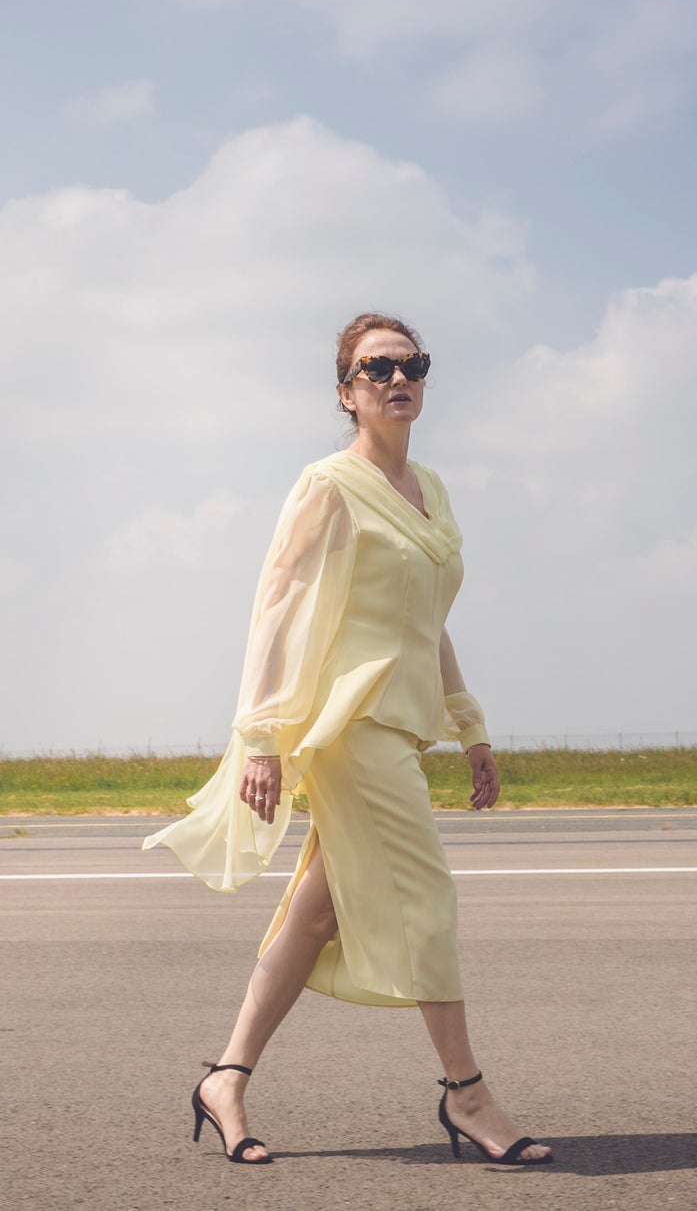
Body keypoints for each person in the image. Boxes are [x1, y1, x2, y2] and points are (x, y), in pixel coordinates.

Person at [143, 313, 552, 1167]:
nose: (397, 378)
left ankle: (225, 1077)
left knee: (316, 912)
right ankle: (467, 1092)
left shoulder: (431, 490)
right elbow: (279, 609)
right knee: (428, 897)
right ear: (346, 391)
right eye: (376, 368)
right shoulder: (328, 484)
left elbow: (428, 620)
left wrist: (469, 725)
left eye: (412, 364)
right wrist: (259, 736)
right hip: (349, 726)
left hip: (401, 728)